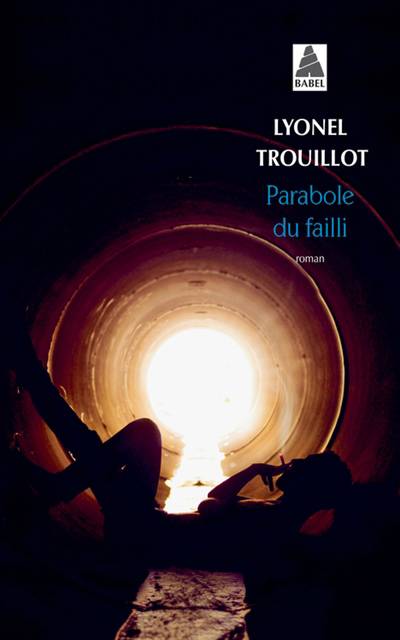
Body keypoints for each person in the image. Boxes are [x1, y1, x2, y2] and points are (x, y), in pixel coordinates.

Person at [5, 319, 353, 575]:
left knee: (140, 434)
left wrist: (245, 481)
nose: (294, 463)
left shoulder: (275, 522)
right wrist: (252, 469)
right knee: (89, 446)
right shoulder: (275, 515)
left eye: (304, 465)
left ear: (312, 488)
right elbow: (216, 498)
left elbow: (209, 507)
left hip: (144, 534)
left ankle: (52, 473)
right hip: (146, 527)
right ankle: (30, 377)